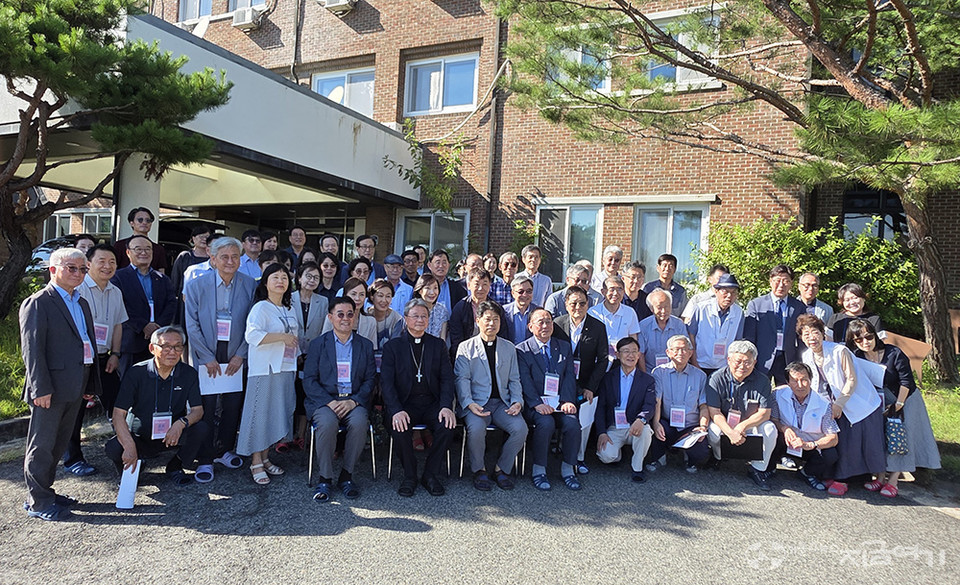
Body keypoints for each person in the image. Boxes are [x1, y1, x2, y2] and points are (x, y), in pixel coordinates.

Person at [20, 247, 102, 521]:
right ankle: (38, 501)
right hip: (49, 387)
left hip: (75, 383)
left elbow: (85, 342)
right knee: (42, 445)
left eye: (82, 269)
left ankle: (46, 490)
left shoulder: (80, 301)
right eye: (71, 268)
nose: (78, 273)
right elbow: (32, 350)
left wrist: (90, 381)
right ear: (53, 269)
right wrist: (39, 388)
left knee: (59, 443)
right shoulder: (39, 302)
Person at [182, 236, 257, 475]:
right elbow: (191, 324)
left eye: (235, 256)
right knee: (206, 406)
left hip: (236, 353)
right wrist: (206, 357)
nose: (230, 261)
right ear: (212, 259)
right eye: (224, 257)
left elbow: (252, 324)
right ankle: (204, 457)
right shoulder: (196, 284)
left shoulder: (250, 284)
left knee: (233, 405)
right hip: (207, 355)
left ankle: (224, 450)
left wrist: (241, 355)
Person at [105, 326, 212, 485]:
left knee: (201, 428)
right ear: (152, 348)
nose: (172, 351)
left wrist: (181, 423)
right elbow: (118, 414)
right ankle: (133, 471)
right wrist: (128, 445)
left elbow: (198, 411)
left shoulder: (188, 373)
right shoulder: (136, 373)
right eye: (166, 346)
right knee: (113, 447)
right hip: (140, 437)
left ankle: (175, 466)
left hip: (172, 436)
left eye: (177, 346)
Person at [847, 319, 938, 497]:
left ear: (875, 334)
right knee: (882, 437)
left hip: (904, 398)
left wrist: (898, 404)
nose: (865, 342)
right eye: (859, 340)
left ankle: (893, 481)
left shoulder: (893, 352)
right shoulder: (857, 356)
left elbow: (907, 381)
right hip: (879, 401)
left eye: (868, 336)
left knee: (900, 437)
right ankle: (880, 478)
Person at [797, 314, 884, 496]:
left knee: (854, 442)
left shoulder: (839, 351)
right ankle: (835, 475)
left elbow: (852, 379)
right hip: (830, 403)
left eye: (815, 332)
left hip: (858, 402)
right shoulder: (807, 356)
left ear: (823, 334)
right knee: (838, 440)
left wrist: (839, 404)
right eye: (806, 334)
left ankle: (844, 479)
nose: (811, 337)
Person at [380, 299, 457, 497]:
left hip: (432, 403)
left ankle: (430, 474)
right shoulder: (393, 347)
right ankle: (410, 475)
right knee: (399, 426)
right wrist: (396, 410)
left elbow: (447, 379)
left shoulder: (437, 345)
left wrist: (446, 406)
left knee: (447, 425)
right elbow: (386, 384)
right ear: (406, 319)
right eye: (415, 316)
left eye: (424, 316)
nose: (420, 320)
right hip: (404, 404)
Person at [304, 297, 377, 502]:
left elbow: (370, 379)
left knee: (360, 422)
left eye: (350, 314)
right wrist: (330, 402)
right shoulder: (319, 344)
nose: (345, 319)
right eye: (340, 314)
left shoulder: (365, 345)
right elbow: (309, 380)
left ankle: (346, 476)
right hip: (326, 401)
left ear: (355, 317)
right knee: (326, 423)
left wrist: (353, 402)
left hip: (354, 400)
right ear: (331, 317)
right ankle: (325, 478)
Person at [66, 245, 128, 477]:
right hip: (80, 361)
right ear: (88, 264)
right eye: (101, 261)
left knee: (118, 405)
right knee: (76, 411)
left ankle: (125, 451)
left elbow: (118, 325)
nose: (107, 266)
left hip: (105, 359)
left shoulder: (116, 291)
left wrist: (116, 353)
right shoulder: (77, 289)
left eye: (112, 261)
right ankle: (73, 458)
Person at [455, 301, 528, 491]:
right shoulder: (465, 347)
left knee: (520, 428)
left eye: (496, 319)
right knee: (476, 429)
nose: (492, 324)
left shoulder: (509, 347)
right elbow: (461, 379)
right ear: (478, 320)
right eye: (487, 319)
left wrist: (517, 401)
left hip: (502, 403)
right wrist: (469, 403)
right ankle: (479, 470)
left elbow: (514, 379)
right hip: (477, 403)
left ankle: (501, 469)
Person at [237, 263, 300, 485]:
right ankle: (255, 461)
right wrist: (281, 337)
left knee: (276, 413)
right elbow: (252, 336)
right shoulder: (260, 308)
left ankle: (265, 457)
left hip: (285, 368)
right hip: (264, 370)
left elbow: (294, 338)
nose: (281, 281)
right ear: (265, 282)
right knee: (260, 414)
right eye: (275, 277)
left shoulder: (289, 308)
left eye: (284, 277)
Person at [516, 308, 581, 491]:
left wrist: (568, 400)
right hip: (535, 404)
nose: (545, 326)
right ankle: (539, 469)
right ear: (530, 326)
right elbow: (524, 380)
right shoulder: (522, 350)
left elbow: (569, 376)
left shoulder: (564, 347)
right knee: (545, 423)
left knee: (572, 423)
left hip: (559, 402)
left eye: (549, 322)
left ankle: (568, 468)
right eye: (540, 322)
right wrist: (537, 403)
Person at [705, 340, 779, 491]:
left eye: (747, 362)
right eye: (738, 361)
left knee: (770, 429)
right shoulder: (716, 378)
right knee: (713, 431)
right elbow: (714, 412)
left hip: (750, 423)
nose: (742, 366)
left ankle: (758, 469)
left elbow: (765, 413)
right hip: (725, 422)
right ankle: (718, 457)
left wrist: (742, 426)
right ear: (729, 360)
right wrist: (731, 432)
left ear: (755, 362)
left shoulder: (763, 380)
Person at [553, 286, 609, 475]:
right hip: (560, 382)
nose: (578, 307)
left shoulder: (598, 326)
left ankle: (579, 457)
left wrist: (591, 387)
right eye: (573, 303)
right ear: (566, 305)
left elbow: (603, 360)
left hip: (587, 383)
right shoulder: (557, 324)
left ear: (588, 304)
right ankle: (561, 448)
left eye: (582, 303)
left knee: (584, 421)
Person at [281, 261, 329, 454]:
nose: (311, 280)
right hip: (289, 354)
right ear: (299, 278)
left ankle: (300, 435)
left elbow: (324, 330)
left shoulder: (323, 301)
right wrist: (298, 353)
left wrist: (311, 355)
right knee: (287, 394)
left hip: (313, 357)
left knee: (305, 394)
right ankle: (283, 437)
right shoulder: (288, 299)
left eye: (316, 277)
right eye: (308, 276)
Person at [770, 362, 841, 492]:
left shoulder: (824, 404)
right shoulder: (777, 394)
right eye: (795, 381)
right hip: (786, 441)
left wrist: (811, 444)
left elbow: (833, 438)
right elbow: (773, 420)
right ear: (787, 382)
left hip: (810, 445)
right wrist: (785, 428)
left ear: (810, 380)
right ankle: (769, 468)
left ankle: (807, 473)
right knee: (771, 432)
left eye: (804, 380)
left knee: (831, 455)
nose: (800, 385)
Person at [594, 337, 657, 483]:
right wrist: (602, 432)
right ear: (617, 354)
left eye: (634, 351)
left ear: (639, 355)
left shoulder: (647, 380)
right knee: (606, 456)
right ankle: (618, 454)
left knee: (646, 431)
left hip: (635, 424)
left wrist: (641, 419)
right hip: (615, 426)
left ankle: (637, 468)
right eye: (626, 351)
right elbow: (600, 407)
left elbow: (649, 405)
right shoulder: (608, 377)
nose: (631, 355)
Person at [111, 235, 177, 372]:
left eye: (148, 249)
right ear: (128, 253)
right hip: (130, 340)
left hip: (159, 341)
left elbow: (171, 304)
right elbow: (120, 305)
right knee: (129, 384)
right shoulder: (118, 277)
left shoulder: (162, 278)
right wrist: (143, 326)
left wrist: (157, 327)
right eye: (138, 249)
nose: (144, 252)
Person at [647, 335, 710, 473]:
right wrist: (656, 423)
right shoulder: (659, 372)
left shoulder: (700, 376)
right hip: (668, 422)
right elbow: (657, 401)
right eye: (676, 349)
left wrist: (702, 427)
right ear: (668, 352)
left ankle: (690, 458)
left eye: (684, 349)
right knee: (655, 429)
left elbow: (703, 406)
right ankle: (659, 457)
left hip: (690, 425)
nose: (680, 353)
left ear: (690, 353)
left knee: (701, 451)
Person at [743, 264, 806, 384]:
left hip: (787, 358)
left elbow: (801, 336)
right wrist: (750, 359)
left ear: (791, 283)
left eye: (786, 281)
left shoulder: (798, 306)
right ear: (770, 281)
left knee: (786, 394)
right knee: (759, 392)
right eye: (777, 281)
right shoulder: (756, 304)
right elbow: (749, 336)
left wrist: (801, 360)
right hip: (762, 357)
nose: (781, 285)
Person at [687, 273, 745, 377]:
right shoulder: (701, 308)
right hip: (700, 363)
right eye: (725, 292)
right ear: (716, 291)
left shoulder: (739, 312)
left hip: (724, 367)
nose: (729, 296)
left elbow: (737, 341)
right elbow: (691, 335)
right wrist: (694, 362)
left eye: (733, 292)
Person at [450, 268, 507, 357]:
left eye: (485, 284)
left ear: (490, 285)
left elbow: (503, 334)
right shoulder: (460, 308)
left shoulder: (496, 308)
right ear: (469, 285)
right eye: (476, 284)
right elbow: (456, 339)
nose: (481, 288)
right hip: (467, 353)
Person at [589, 275, 640, 360]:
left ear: (624, 292)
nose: (616, 293)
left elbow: (633, 339)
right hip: (599, 359)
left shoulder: (630, 312)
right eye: (612, 289)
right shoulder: (593, 312)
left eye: (619, 289)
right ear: (603, 292)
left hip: (623, 360)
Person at [637, 289, 687, 373]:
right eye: (659, 307)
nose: (663, 311)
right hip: (651, 372)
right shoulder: (643, 326)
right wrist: (645, 377)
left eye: (667, 306)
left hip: (675, 372)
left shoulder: (679, 324)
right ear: (652, 309)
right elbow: (640, 354)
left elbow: (686, 349)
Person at [323, 277, 378, 348]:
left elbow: (372, 349)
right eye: (353, 294)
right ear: (345, 295)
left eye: (361, 294)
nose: (357, 298)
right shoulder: (332, 318)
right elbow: (324, 344)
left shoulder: (371, 321)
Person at [113, 207, 167, 273]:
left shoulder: (158, 249)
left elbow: (161, 273)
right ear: (132, 223)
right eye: (140, 220)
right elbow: (113, 269)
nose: (144, 223)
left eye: (148, 220)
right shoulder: (120, 246)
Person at [171, 226, 212, 301]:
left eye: (207, 237)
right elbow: (175, 279)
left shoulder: (213, 258)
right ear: (193, 238)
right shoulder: (185, 256)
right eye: (201, 236)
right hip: (185, 298)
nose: (204, 239)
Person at [413, 273, 451, 343]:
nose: (432, 292)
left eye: (435, 288)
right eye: (428, 288)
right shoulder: (412, 309)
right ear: (420, 290)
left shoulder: (442, 310)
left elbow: (442, 339)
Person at [367, 278, 404, 349]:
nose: (384, 300)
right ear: (372, 296)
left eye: (388, 296)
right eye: (380, 296)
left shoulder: (397, 319)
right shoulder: (364, 316)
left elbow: (395, 346)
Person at [504, 274, 539, 344]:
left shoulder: (538, 312)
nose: (525, 295)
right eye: (521, 292)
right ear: (513, 293)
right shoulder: (503, 311)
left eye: (529, 291)